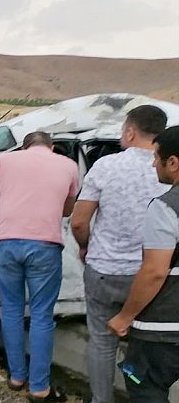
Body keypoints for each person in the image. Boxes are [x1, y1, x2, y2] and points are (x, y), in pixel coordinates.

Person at [71, 105, 168, 403]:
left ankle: (101, 399)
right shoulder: (166, 171)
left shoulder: (105, 166)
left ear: (130, 131)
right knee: (142, 346)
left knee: (101, 343)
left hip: (104, 270)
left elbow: (78, 221)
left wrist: (85, 246)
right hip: (149, 276)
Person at [0, 131, 78, 402]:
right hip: (45, 245)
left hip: (5, 243)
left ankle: (17, 376)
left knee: (12, 309)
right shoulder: (68, 165)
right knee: (41, 315)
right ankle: (39, 386)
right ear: (51, 147)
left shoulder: (2, 161)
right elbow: (67, 209)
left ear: (24, 147)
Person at [108, 126, 179, 403]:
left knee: (143, 385)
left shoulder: (166, 207)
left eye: (157, 157)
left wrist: (125, 317)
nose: (153, 163)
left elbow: (154, 271)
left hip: (163, 330)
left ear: (173, 163)